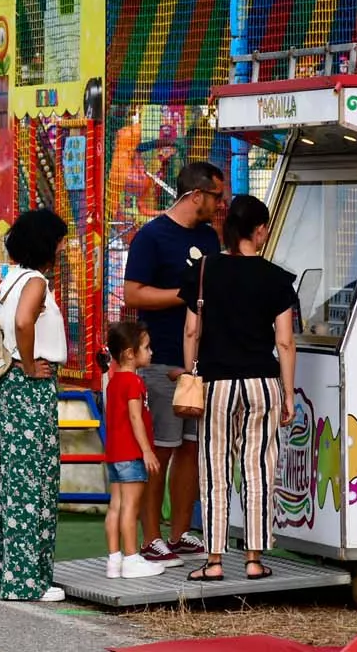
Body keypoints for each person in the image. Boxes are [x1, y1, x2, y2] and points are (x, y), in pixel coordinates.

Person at [181, 194, 297, 581]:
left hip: (215, 384)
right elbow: (284, 342)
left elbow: (191, 329)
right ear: (259, 230)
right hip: (262, 383)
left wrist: (189, 376)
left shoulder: (204, 270)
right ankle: (253, 559)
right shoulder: (277, 279)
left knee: (215, 469)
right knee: (258, 470)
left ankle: (214, 561)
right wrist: (288, 392)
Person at [122, 160, 225, 565]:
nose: (221, 204)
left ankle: (181, 532)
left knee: (192, 450)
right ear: (196, 194)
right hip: (161, 360)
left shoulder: (208, 237)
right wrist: (183, 295)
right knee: (160, 451)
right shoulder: (151, 236)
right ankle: (151, 536)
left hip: (201, 364)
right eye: (216, 196)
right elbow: (133, 295)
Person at [0, 207, 69, 603]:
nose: (63, 247)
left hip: (7, 385)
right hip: (28, 385)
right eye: (58, 240)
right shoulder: (35, 281)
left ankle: (3, 574)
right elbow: (22, 322)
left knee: (12, 478)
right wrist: (31, 361)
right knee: (31, 478)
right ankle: (26, 581)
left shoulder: (9, 279)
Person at [103, 321, 165, 580]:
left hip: (115, 453)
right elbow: (135, 417)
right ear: (130, 353)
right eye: (146, 347)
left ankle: (114, 558)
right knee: (131, 506)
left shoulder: (113, 382)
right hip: (131, 453)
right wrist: (147, 450)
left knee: (115, 505)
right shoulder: (133, 382)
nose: (151, 352)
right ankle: (131, 558)